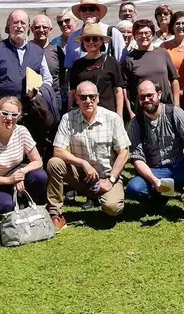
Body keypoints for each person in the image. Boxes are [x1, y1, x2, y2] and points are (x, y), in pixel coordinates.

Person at [47, 81, 131, 230]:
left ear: (97, 98)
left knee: (112, 207)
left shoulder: (112, 118)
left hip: (107, 177)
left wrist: (111, 179)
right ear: (77, 99)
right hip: (81, 176)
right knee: (54, 163)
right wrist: (83, 164)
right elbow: (57, 150)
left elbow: (124, 153)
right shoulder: (68, 118)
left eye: (92, 97)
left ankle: (107, 204)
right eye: (83, 97)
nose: (88, 101)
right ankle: (56, 214)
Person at [124, 79, 184, 216]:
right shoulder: (135, 124)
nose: (146, 100)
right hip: (155, 170)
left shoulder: (175, 112)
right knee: (134, 188)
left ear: (159, 94)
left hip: (180, 165)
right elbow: (136, 158)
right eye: (142, 97)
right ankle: (160, 198)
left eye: (150, 95)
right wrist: (156, 182)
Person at [0, 95, 49, 236]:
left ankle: (27, 211)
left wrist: (21, 173)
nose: (9, 118)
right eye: (5, 113)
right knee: (7, 205)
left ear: (19, 116)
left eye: (14, 115)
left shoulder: (22, 132)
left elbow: (38, 161)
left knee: (40, 176)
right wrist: (9, 180)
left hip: (14, 175)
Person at [0, 10, 54, 124]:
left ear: (28, 27)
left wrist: (38, 92)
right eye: (15, 22)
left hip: (31, 116)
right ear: (9, 25)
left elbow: (47, 79)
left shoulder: (38, 51)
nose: (19, 26)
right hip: (4, 116)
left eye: (23, 23)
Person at [123, 19, 181, 119]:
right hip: (142, 111)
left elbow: (174, 79)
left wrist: (177, 104)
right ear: (134, 36)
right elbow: (125, 88)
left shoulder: (163, 53)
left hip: (166, 108)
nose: (144, 36)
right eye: (140, 33)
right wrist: (130, 111)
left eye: (147, 33)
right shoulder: (129, 59)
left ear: (153, 35)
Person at [68, 23, 125, 114]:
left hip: (108, 113)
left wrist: (119, 115)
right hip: (84, 113)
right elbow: (72, 92)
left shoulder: (111, 62)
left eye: (95, 39)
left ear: (101, 41)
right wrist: (69, 113)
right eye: (87, 39)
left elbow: (118, 90)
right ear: (83, 42)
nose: (91, 42)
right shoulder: (77, 65)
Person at [65, 0, 127, 67]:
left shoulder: (112, 33)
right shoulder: (73, 37)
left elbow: (122, 62)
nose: (87, 12)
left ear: (98, 13)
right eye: (84, 9)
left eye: (91, 9)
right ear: (80, 13)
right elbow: (69, 66)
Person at [162, 11, 184, 116]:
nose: (181, 26)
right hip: (169, 93)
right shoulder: (163, 46)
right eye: (177, 23)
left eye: (183, 23)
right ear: (172, 26)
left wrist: (182, 90)